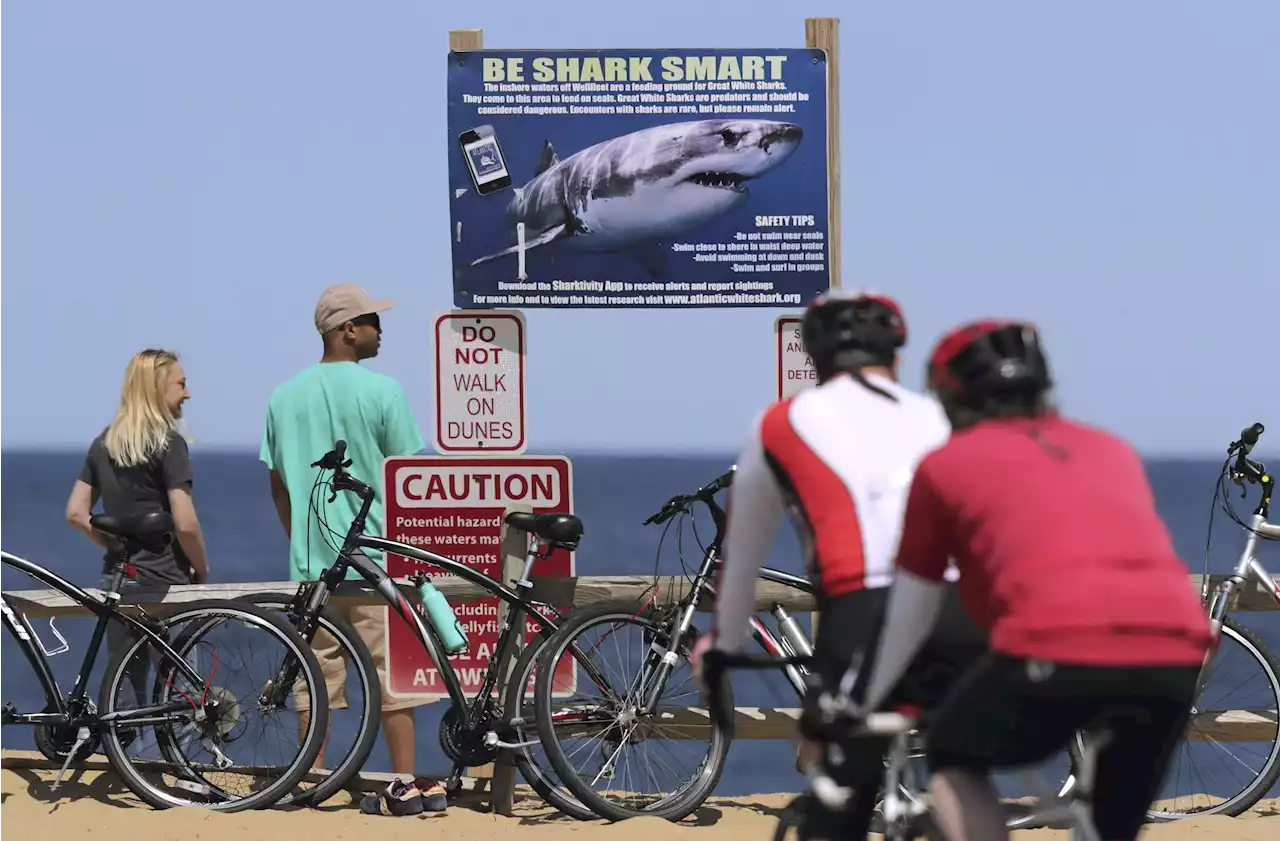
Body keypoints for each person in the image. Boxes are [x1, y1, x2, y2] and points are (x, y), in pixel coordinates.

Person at [848, 319, 1213, 841]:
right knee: (1108, 828)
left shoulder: (946, 464)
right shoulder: (1110, 449)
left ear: (954, 398)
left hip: (1056, 647)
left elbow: (911, 612)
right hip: (1177, 653)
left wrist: (862, 700)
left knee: (953, 752)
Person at [693, 290, 987, 841]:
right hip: (963, 612)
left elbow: (741, 556)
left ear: (817, 359)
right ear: (896, 359)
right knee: (956, 768)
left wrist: (721, 646)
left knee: (838, 773)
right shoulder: (940, 418)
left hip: (868, 611)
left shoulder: (782, 423)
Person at [259, 282, 444, 816]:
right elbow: (410, 477)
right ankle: (406, 781)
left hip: (312, 568)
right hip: (375, 560)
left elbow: (279, 484)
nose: (381, 331)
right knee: (392, 681)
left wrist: (303, 535)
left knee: (312, 679)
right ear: (348, 330)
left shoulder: (282, 396)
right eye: (373, 322)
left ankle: (309, 781)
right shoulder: (383, 392)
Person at [65, 348, 211, 702]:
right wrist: (202, 569)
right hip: (166, 584)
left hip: (118, 582)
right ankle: (176, 760)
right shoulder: (168, 443)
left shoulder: (105, 442)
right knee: (181, 697)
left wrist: (114, 547)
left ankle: (123, 756)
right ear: (157, 387)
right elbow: (185, 521)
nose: (188, 393)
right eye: (181, 384)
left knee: (126, 694)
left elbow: (75, 513)